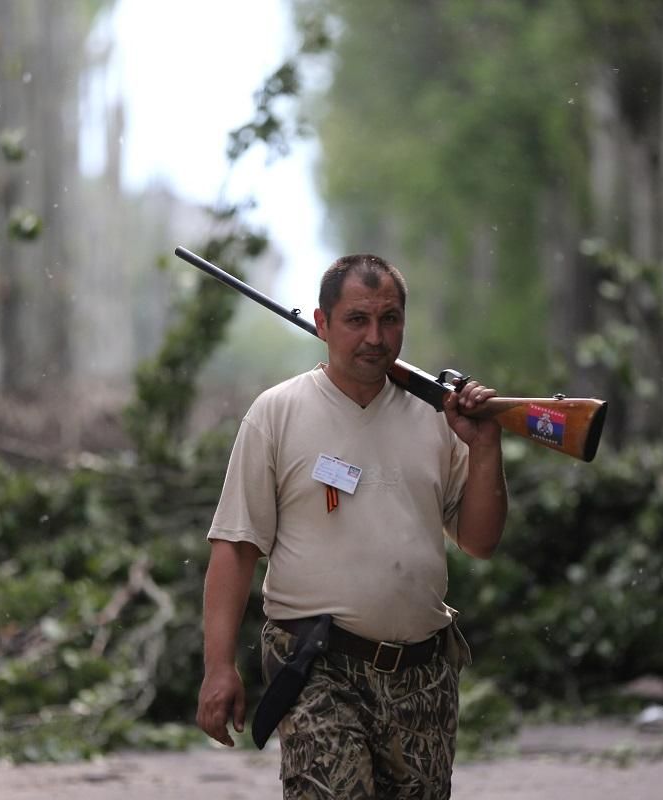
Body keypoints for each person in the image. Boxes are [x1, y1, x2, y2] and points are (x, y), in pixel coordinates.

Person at [196, 253, 508, 798]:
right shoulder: (276, 413)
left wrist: (484, 448)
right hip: (317, 662)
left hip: (423, 671)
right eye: (356, 320)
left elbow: (480, 541)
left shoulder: (440, 419)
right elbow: (236, 547)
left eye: (389, 319)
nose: (375, 337)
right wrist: (218, 667)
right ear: (322, 323)